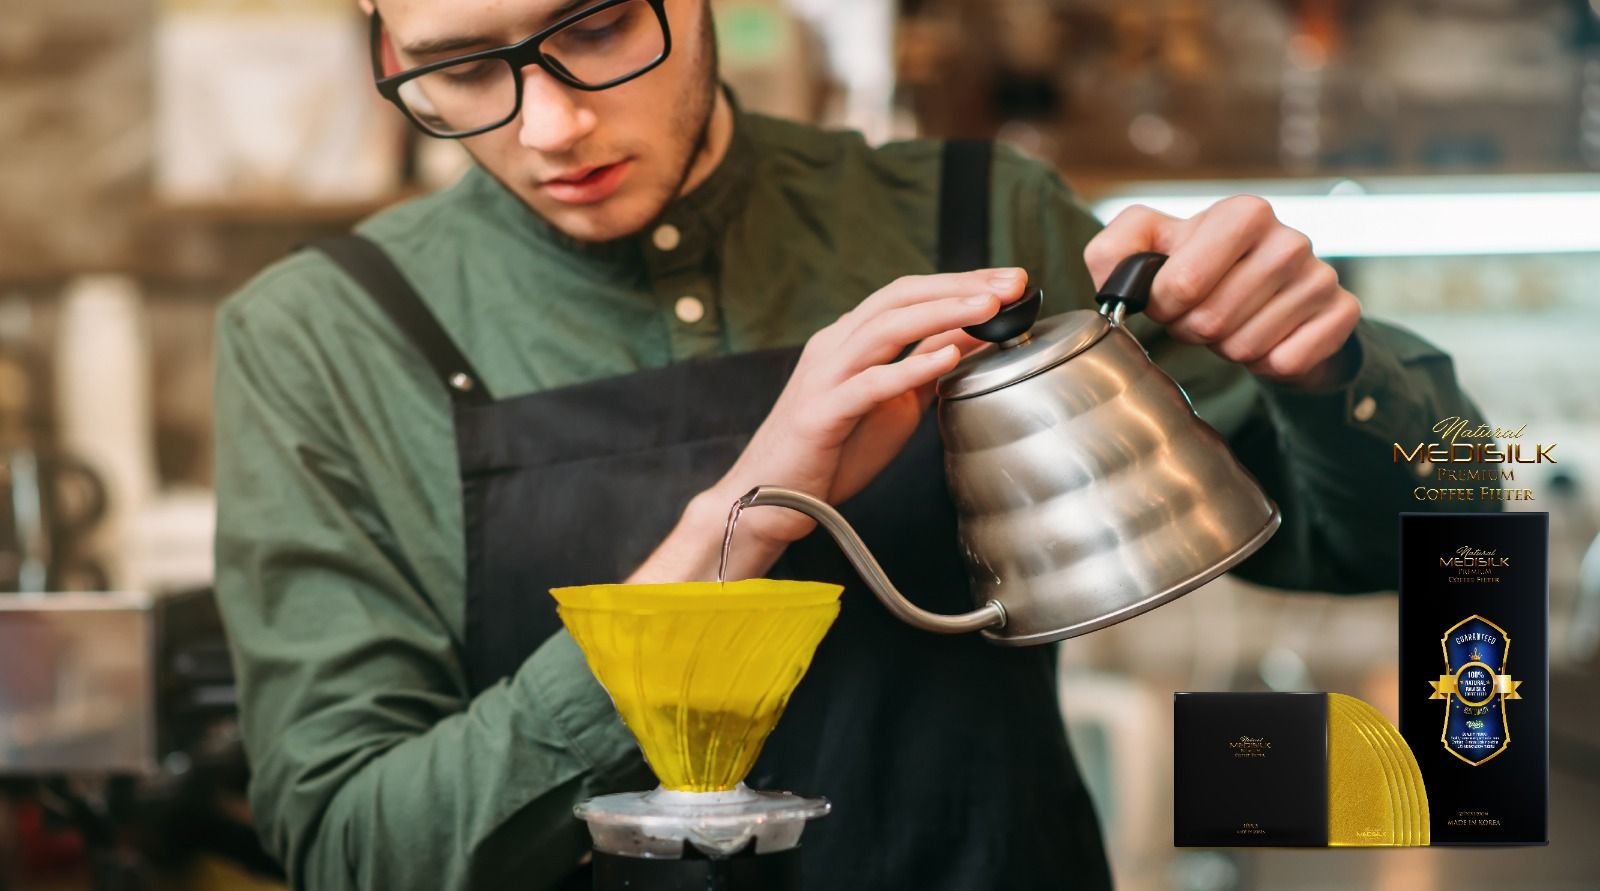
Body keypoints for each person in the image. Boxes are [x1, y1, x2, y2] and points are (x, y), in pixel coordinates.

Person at [211, 0, 1496, 888]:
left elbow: (1426, 540)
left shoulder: (973, 216)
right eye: (457, 67)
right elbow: (358, 851)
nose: (547, 127)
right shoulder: (321, 337)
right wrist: (740, 524)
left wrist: (1325, 369)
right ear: (385, 41)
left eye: (598, 27)